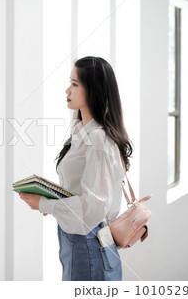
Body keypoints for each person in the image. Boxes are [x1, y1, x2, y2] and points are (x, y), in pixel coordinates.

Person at [19, 56, 132, 281]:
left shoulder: (99, 139)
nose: (66, 90)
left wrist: (44, 203)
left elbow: (93, 208)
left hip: (88, 244)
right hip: (77, 242)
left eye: (74, 84)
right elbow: (80, 191)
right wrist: (51, 200)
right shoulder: (83, 133)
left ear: (93, 90)